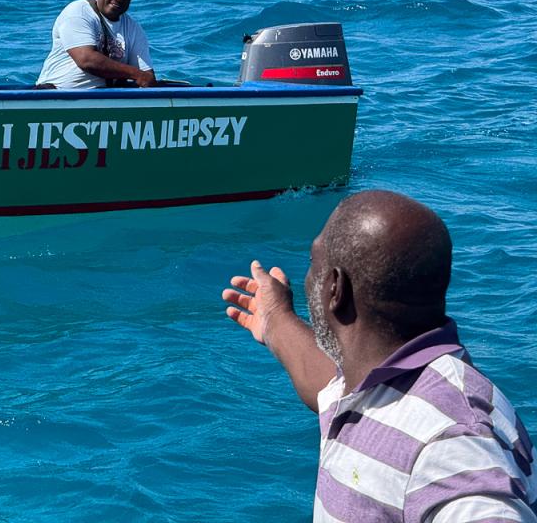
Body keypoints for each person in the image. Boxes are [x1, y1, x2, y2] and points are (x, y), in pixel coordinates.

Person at [222, 190, 537, 522]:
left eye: (313, 262)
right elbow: (328, 382)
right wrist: (276, 320)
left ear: (335, 288)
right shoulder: (381, 388)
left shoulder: (453, 440)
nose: (307, 275)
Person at [36, 0, 156, 89]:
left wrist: (144, 78)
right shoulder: (78, 11)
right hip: (56, 92)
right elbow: (86, 60)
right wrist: (135, 74)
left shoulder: (133, 28)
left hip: (105, 98)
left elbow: (146, 76)